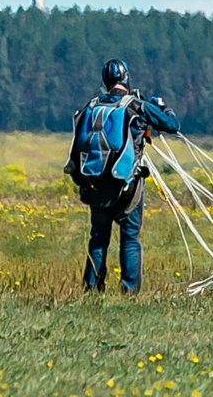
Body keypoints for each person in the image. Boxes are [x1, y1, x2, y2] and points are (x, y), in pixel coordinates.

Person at [64, 58, 183, 294]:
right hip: (127, 187)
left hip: (95, 183)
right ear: (126, 79)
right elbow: (172, 124)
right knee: (129, 238)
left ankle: (92, 288)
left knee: (98, 238)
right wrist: (162, 106)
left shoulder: (91, 106)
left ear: (105, 81)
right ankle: (129, 291)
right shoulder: (135, 105)